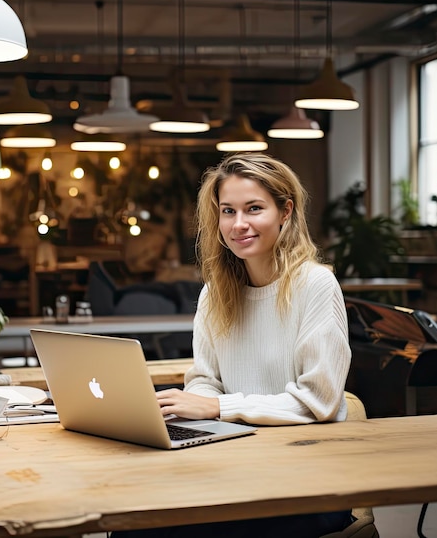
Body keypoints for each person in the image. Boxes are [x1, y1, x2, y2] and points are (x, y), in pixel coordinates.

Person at [113, 152, 353, 538]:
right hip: (236, 467)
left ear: (285, 212)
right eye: (228, 211)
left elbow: (319, 401)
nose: (238, 224)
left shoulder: (315, 286)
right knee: (129, 518)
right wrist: (195, 404)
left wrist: (217, 406)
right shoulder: (215, 293)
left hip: (309, 481)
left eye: (254, 208)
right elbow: (205, 380)